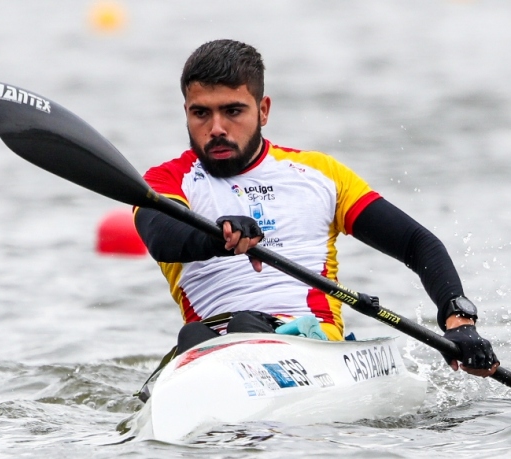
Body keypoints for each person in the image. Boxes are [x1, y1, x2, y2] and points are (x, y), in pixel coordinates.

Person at [134, 39, 498, 382]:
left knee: (245, 325)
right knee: (199, 333)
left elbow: (417, 244)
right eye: (201, 113)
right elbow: (162, 237)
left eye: (232, 111)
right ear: (185, 112)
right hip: (208, 349)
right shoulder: (165, 182)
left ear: (263, 111)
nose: (216, 128)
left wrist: (459, 321)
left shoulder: (320, 175)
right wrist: (219, 234)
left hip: (313, 344)